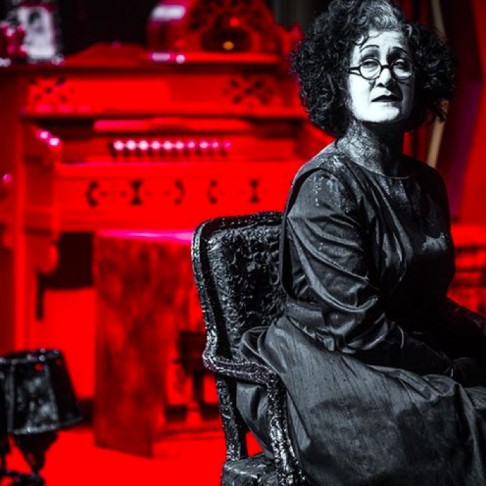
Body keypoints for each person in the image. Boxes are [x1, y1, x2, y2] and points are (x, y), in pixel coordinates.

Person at [236, 0, 486, 484]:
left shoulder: (427, 182)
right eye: (368, 62)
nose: (386, 77)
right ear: (339, 81)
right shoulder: (326, 187)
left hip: (398, 351)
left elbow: (429, 303)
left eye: (401, 63)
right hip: (333, 367)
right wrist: (451, 370)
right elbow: (358, 329)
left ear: (420, 81)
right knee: (464, 418)